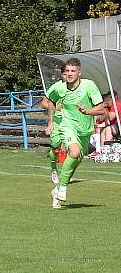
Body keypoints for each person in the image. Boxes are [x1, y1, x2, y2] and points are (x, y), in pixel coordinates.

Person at [44, 58, 105, 209]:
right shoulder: (59, 87)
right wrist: (51, 122)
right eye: (67, 71)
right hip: (67, 125)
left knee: (75, 159)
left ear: (79, 72)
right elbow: (49, 102)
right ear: (63, 74)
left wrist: (87, 111)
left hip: (85, 130)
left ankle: (57, 190)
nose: (70, 74)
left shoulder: (89, 86)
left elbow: (101, 109)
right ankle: (62, 186)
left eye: (73, 71)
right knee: (72, 150)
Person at [41, 68, 67, 184]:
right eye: (65, 73)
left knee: (71, 149)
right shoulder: (56, 87)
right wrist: (56, 109)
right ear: (61, 74)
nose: (68, 75)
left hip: (71, 122)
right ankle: (54, 170)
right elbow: (43, 103)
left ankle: (67, 174)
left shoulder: (79, 87)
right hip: (57, 121)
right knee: (56, 149)